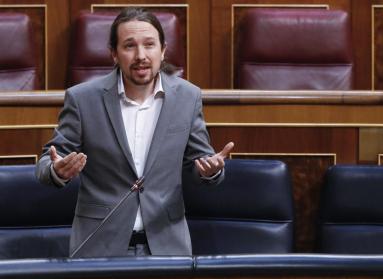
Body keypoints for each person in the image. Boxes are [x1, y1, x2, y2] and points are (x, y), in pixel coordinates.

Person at [35, 7, 234, 257]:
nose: (141, 55)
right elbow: (45, 164)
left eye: (149, 45)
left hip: (167, 246)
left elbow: (202, 162)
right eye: (129, 46)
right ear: (114, 54)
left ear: (162, 50)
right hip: (98, 246)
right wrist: (56, 170)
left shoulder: (188, 96)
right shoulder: (82, 99)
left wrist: (211, 171)